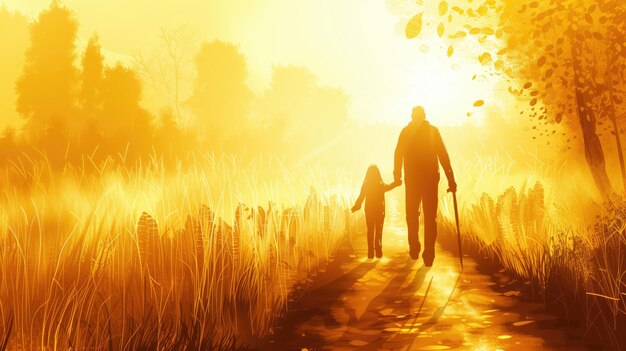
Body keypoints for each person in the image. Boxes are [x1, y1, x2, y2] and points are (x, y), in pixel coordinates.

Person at [393, 106, 456, 267]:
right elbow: (443, 155)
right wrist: (451, 179)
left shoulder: (406, 132)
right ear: (424, 115)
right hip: (429, 179)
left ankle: (415, 247)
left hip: (413, 179)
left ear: (412, 115)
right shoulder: (432, 131)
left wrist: (397, 175)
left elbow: (398, 153)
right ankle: (428, 253)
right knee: (429, 217)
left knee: (412, 214)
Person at [351, 165, 401, 259]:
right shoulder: (380, 184)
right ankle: (378, 250)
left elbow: (361, 196)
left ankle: (370, 252)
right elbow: (388, 187)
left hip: (369, 211)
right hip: (379, 211)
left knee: (370, 231)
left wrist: (356, 206)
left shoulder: (366, 184)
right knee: (378, 230)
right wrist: (396, 183)